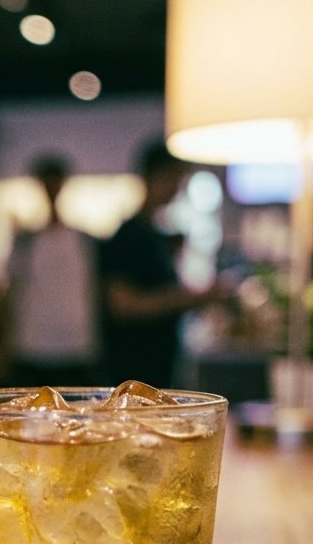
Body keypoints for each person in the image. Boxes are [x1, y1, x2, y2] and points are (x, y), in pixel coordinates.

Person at [97, 139, 229, 389]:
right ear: (153, 177)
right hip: (135, 371)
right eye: (173, 178)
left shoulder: (152, 234)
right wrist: (189, 298)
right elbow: (122, 305)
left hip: (153, 368)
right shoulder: (129, 236)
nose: (176, 188)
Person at [6, 155, 99, 387]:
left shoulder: (82, 240)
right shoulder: (26, 241)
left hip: (76, 346)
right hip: (32, 347)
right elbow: (12, 292)